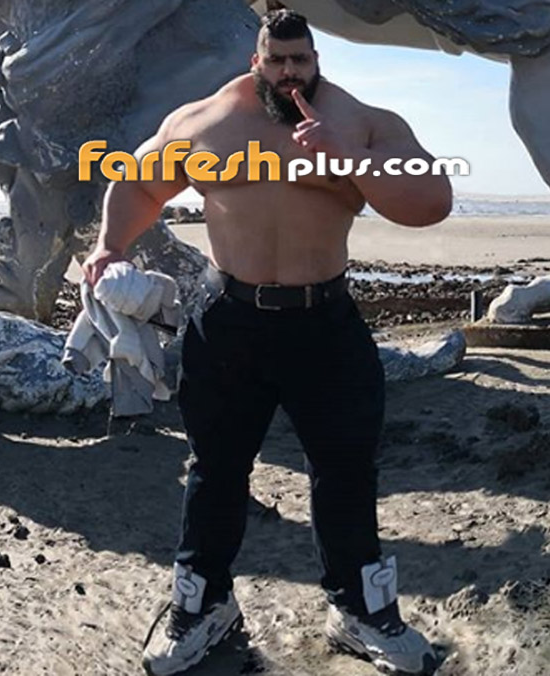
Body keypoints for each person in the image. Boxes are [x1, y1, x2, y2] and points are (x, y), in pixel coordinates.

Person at [83, 9, 451, 676]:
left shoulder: (363, 123)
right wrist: (110, 246)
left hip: (325, 323)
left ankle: (360, 611)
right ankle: (204, 607)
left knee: (345, 471)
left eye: (300, 61)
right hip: (230, 321)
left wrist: (349, 159)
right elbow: (137, 182)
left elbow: (431, 201)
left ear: (316, 61)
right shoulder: (205, 123)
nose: (289, 73)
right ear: (256, 62)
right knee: (216, 469)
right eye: (276, 61)